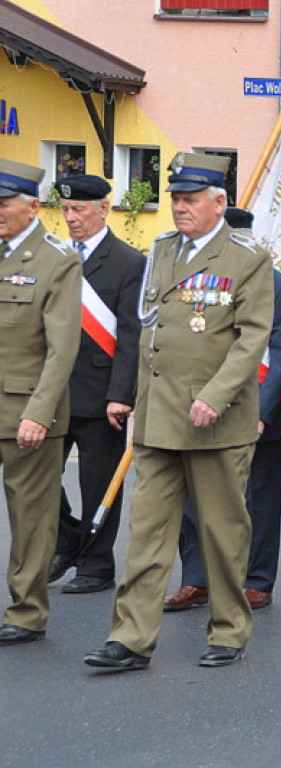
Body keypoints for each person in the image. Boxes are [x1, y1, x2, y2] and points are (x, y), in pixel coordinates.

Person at [84, 153, 273, 671]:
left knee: (220, 531)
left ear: (219, 202)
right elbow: (147, 330)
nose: (179, 208)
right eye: (175, 198)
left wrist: (214, 396)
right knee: (146, 535)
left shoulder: (247, 257)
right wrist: (132, 398)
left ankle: (229, 631)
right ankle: (131, 637)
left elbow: (252, 338)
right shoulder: (162, 250)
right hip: (159, 417)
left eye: (190, 199)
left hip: (215, 419)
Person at [163, 207, 281, 612]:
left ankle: (256, 580)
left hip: (255, 409)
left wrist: (261, 411)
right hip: (200, 407)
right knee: (193, 498)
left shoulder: (277, 285)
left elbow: (279, 356)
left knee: (257, 499)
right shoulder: (197, 280)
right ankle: (197, 580)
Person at [48, 175, 143, 594]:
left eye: (79, 210)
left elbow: (131, 334)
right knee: (37, 478)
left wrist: (121, 395)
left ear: (103, 209)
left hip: (101, 395)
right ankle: (69, 539)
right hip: (53, 393)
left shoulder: (128, 262)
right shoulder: (56, 257)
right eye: (66, 210)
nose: (71, 218)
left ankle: (97, 565)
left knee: (98, 483)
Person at [0, 159, 81, 645]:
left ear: (33, 207)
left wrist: (39, 411)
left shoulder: (57, 260)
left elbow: (62, 346)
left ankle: (26, 611)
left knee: (30, 519)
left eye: (4, 204)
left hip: (25, 413)